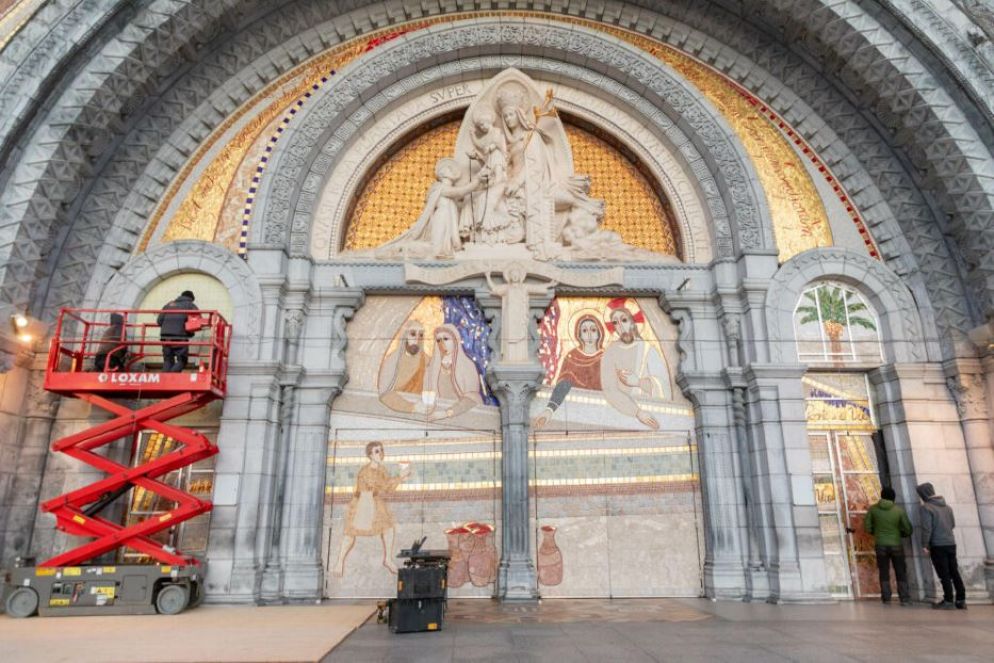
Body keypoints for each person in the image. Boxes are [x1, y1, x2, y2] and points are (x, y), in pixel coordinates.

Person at [333, 442, 412, 577]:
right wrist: (399, 477)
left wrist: (401, 479)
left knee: (388, 528)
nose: (380, 453)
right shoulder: (365, 471)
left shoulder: (382, 469)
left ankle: (387, 559)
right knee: (350, 534)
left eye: (381, 450)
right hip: (362, 503)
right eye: (376, 451)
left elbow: (387, 488)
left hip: (375, 502)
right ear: (370, 455)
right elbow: (379, 486)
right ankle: (339, 562)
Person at [600, 302, 669, 429]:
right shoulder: (610, 352)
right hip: (621, 413)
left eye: (624, 320)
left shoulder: (648, 350)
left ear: (632, 323)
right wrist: (637, 412)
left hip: (651, 411)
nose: (620, 326)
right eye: (615, 323)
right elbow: (609, 389)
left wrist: (638, 382)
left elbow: (664, 386)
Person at [534, 313, 605, 429]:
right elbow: (563, 384)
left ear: (599, 332)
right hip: (575, 409)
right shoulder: (572, 357)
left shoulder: (606, 358)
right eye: (585, 331)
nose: (589, 335)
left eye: (593, 330)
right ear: (579, 335)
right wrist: (549, 410)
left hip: (601, 411)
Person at [917, 482, 966, 609]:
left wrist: (925, 545)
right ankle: (961, 600)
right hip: (950, 543)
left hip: (938, 545)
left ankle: (948, 600)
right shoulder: (948, 507)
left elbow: (927, 528)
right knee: (954, 572)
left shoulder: (926, 508)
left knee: (943, 573)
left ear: (923, 494)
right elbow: (952, 524)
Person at [422, 323, 483, 421]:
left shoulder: (468, 366)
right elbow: (426, 396)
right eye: (438, 340)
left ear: (455, 340)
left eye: (446, 339)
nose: (442, 344)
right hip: (435, 417)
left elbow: (472, 398)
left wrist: (447, 413)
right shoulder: (431, 369)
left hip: (461, 416)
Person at [864, 486, 913, 605]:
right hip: (896, 544)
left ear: (881, 496)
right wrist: (900, 534)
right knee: (900, 570)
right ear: (893, 497)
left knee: (884, 571)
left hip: (880, 544)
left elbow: (867, 527)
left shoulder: (873, 510)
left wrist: (876, 533)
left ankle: (886, 598)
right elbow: (908, 529)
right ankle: (904, 598)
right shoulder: (898, 510)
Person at [377, 320, 429, 414]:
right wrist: (411, 407)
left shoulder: (428, 361)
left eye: (421, 335)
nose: (417, 339)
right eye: (413, 334)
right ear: (404, 336)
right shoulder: (392, 361)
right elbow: (384, 393)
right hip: (396, 414)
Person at [157, 290, 199, 372]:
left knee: (168, 360)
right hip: (180, 337)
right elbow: (197, 321)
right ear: (191, 298)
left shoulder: (168, 304)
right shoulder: (190, 305)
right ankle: (170, 377)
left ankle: (163, 380)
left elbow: (159, 321)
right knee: (182, 361)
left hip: (165, 337)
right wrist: (190, 333)